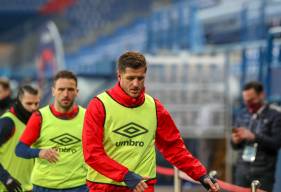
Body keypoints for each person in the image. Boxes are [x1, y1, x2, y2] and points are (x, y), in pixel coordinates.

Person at [82, 51, 220, 192]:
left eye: (140, 78)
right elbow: (92, 153)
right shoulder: (99, 105)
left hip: (143, 187)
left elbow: (173, 147)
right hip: (105, 188)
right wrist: (126, 175)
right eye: (130, 78)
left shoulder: (154, 107)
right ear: (119, 76)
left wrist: (201, 175)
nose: (136, 84)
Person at [15, 70, 88, 192]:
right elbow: (20, 149)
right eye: (61, 89)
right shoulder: (39, 117)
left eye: (70, 89)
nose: (65, 94)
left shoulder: (87, 116)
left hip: (79, 186)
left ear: (77, 92)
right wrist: (39, 152)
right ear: (53, 91)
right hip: (45, 186)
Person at [231, 81, 281, 191]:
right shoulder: (242, 114)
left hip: (263, 174)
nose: (249, 103)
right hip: (242, 172)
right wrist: (235, 140)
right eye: (246, 101)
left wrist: (254, 137)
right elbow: (234, 146)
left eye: (252, 100)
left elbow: (276, 143)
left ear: (261, 95)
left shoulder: (275, 115)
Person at [0, 85, 40, 192]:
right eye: (29, 103)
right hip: (5, 188)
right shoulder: (7, 122)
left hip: (28, 188)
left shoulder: (34, 123)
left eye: (36, 103)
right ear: (18, 102)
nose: (33, 107)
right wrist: (6, 179)